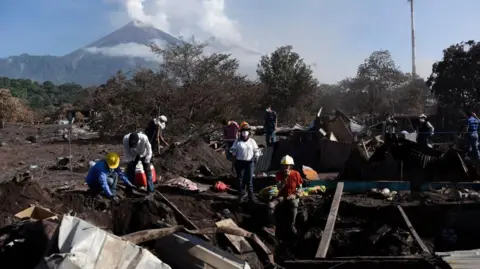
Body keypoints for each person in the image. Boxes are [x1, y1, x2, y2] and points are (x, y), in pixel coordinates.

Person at [266, 155, 303, 235]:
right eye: (284, 166)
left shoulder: (296, 174)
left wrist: (295, 195)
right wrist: (285, 178)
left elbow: (300, 188)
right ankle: (272, 226)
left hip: (292, 195)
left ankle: (292, 225)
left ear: (291, 166)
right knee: (270, 205)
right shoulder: (279, 174)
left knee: (294, 204)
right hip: (282, 196)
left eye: (287, 165)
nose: (286, 167)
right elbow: (279, 188)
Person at [230, 122, 260, 202]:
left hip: (249, 162)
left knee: (249, 179)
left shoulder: (252, 141)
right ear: (241, 132)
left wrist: (256, 155)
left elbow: (256, 150)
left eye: (246, 131)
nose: (245, 132)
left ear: (249, 132)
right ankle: (241, 194)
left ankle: (251, 196)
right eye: (243, 131)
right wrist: (234, 153)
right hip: (239, 162)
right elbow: (233, 149)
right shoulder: (237, 141)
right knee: (240, 179)